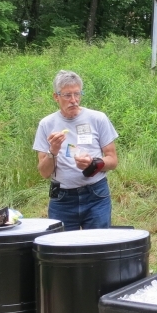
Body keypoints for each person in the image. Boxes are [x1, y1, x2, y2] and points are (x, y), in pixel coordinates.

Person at [33, 70, 119, 231]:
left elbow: (113, 160)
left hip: (96, 195)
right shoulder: (46, 124)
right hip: (62, 199)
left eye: (77, 94)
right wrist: (53, 151)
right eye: (67, 95)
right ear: (56, 97)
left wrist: (93, 163)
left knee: (97, 247)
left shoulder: (98, 118)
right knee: (63, 251)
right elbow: (44, 173)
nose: (74, 100)